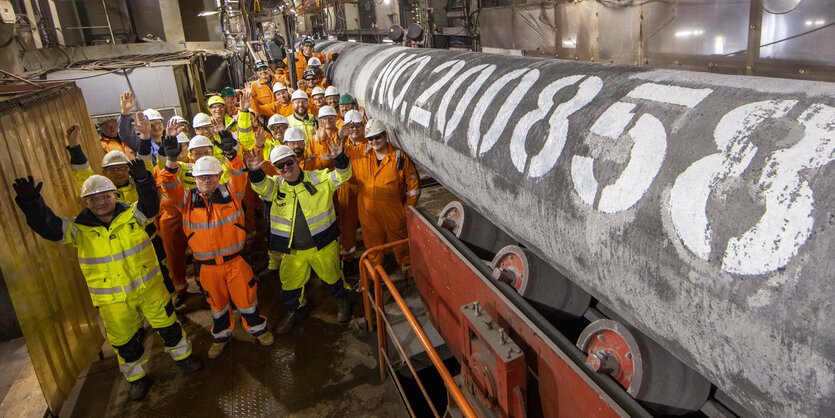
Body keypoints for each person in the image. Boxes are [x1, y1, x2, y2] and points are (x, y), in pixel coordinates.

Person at [12, 162, 202, 401]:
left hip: (149, 290)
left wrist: (143, 181)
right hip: (112, 301)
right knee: (125, 342)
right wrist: (32, 204)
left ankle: (184, 359)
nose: (100, 202)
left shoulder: (134, 215)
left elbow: (151, 205)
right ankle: (137, 378)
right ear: (85, 203)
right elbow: (48, 227)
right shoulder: (78, 230)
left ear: (115, 195)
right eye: (93, 199)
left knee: (169, 326)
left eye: (105, 196)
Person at [159, 131, 274, 358]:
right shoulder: (187, 200)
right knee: (217, 304)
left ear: (219, 175)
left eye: (211, 176)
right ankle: (221, 336)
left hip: (237, 262)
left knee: (247, 299)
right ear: (194, 177)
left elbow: (239, 174)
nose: (206, 180)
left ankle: (258, 330)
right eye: (201, 177)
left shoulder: (232, 193)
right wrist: (170, 162)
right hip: (207, 267)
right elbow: (169, 184)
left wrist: (232, 154)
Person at [244, 137, 353, 333]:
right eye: (280, 166)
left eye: (288, 162)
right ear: (276, 169)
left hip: (323, 245)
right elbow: (260, 186)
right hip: (293, 251)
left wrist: (340, 159)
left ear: (296, 160)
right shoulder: (275, 186)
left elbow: (343, 176)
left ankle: (342, 300)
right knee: (290, 285)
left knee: (333, 276)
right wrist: (254, 171)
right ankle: (295, 310)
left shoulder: (319, 178)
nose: (285, 168)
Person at [65, 124, 179, 297]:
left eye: (122, 168)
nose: (119, 173)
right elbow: (83, 174)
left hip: (151, 238)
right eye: (113, 169)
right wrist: (74, 146)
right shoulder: (102, 191)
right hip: (121, 246)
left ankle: (168, 299)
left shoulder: (138, 184)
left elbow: (149, 166)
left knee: (161, 273)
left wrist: (147, 137)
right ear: (104, 172)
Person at [342, 119, 420, 276]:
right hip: (367, 213)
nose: (374, 141)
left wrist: (407, 208)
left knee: (401, 245)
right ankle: (375, 275)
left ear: (386, 136)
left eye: (377, 137)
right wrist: (340, 136)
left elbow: (413, 186)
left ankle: (408, 271)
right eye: (370, 138)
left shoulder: (399, 157)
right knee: (372, 247)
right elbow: (338, 153)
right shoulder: (362, 153)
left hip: (393, 213)